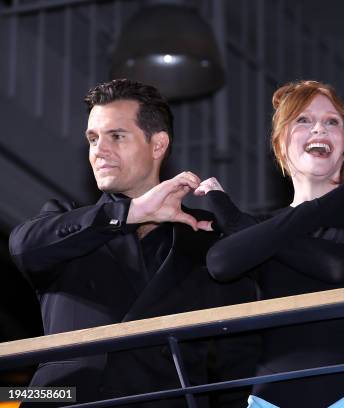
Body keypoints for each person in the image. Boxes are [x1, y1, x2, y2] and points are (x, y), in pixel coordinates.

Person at [9, 79, 257, 407]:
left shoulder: (206, 238)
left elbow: (235, 358)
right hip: (64, 400)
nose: (99, 150)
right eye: (93, 138)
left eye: (116, 136)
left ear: (158, 145)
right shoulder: (66, 221)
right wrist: (132, 212)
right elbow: (24, 247)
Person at [198, 80, 344, 407]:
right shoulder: (261, 226)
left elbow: (340, 266)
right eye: (303, 121)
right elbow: (221, 263)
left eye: (332, 122)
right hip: (271, 399)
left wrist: (239, 224)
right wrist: (317, 210)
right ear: (280, 145)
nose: (319, 128)